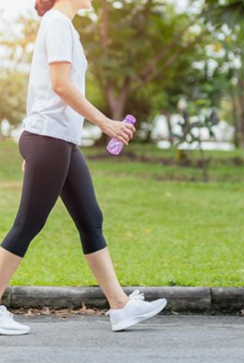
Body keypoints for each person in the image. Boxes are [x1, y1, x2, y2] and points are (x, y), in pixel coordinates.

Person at [0, 0, 167, 335]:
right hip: (49, 139)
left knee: (91, 219)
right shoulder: (58, 23)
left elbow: (46, 88)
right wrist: (106, 123)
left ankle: (119, 306)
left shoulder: (64, 25)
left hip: (58, 141)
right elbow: (60, 86)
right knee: (27, 225)